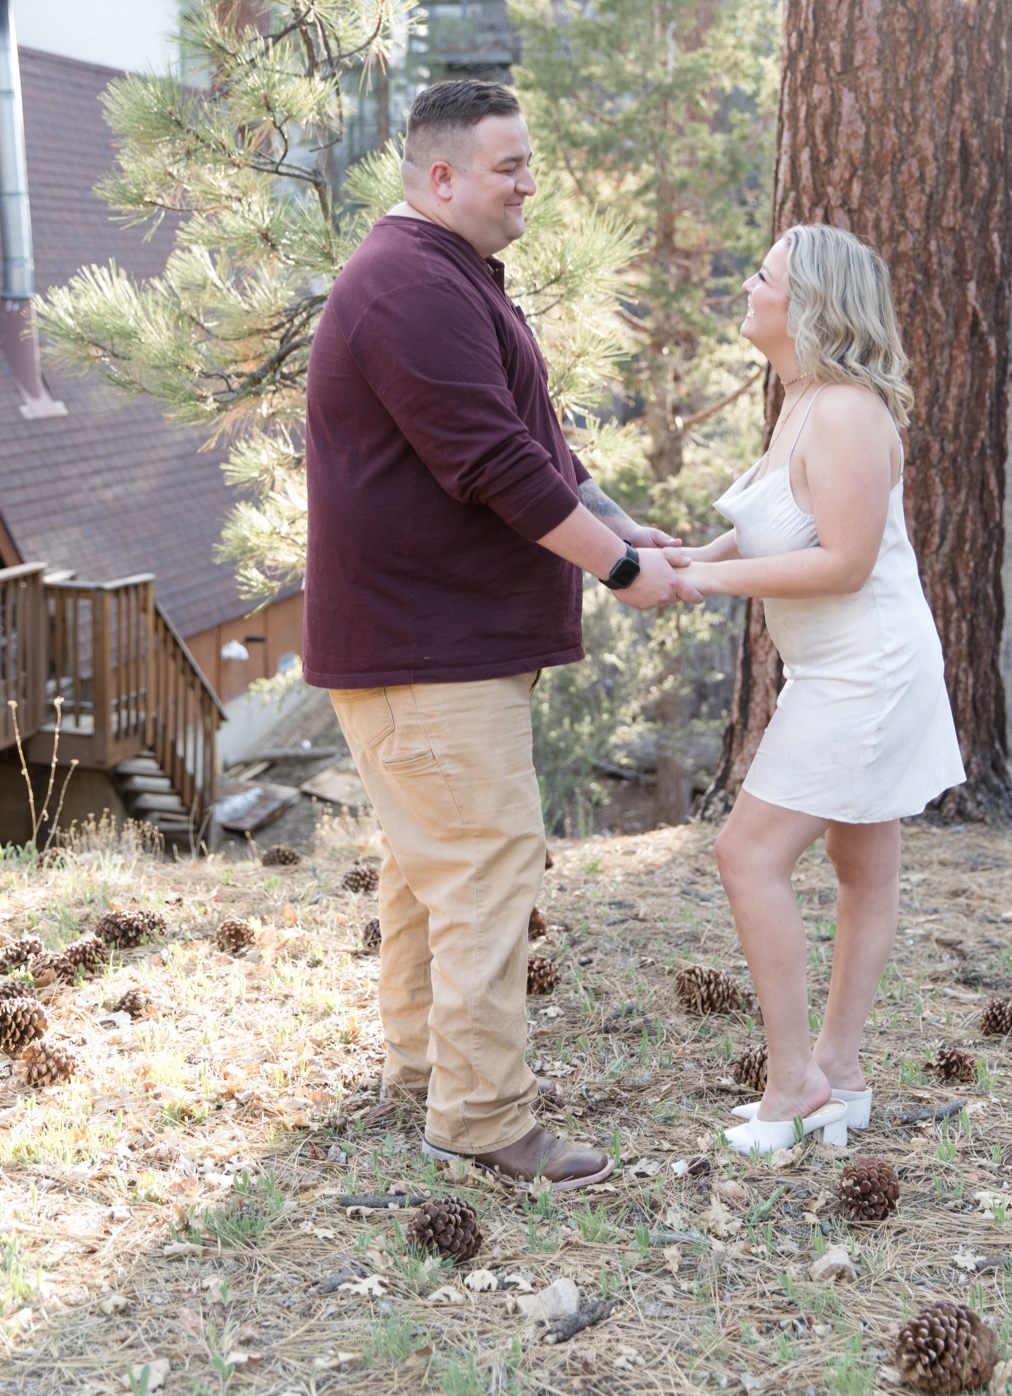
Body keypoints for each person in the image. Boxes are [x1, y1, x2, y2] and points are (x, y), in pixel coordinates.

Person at [303, 79, 699, 1189]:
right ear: (441, 178)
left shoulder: (445, 278)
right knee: (484, 867)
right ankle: (481, 1115)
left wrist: (625, 522)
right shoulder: (408, 287)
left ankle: (422, 1063)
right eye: (508, 166)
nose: (531, 183)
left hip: (435, 642)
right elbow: (490, 466)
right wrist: (619, 569)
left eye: (530, 161)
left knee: (436, 868)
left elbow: (539, 448)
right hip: (426, 648)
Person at [679, 223, 965, 1155]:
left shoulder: (844, 410)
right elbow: (780, 527)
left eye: (763, 276)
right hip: (837, 666)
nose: (749, 287)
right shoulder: (802, 397)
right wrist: (686, 558)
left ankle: (794, 1080)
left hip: (866, 671)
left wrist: (706, 583)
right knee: (861, 865)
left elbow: (841, 563)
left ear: (808, 307)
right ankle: (839, 1072)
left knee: (746, 855)